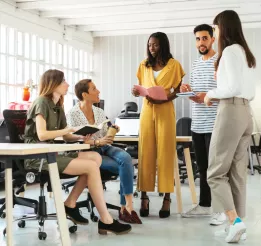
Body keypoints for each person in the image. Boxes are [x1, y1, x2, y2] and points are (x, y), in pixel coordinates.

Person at [24, 69, 132, 235]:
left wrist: (81, 136)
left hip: (52, 152)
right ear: (53, 84)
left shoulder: (58, 105)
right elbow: (42, 134)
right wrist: (70, 129)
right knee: (90, 167)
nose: (67, 84)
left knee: (95, 157)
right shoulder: (41, 102)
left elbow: (66, 136)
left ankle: (70, 202)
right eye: (63, 81)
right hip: (38, 157)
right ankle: (106, 219)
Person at [204, 10, 256, 243]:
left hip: (231, 110)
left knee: (215, 172)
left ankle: (234, 222)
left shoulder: (230, 51)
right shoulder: (246, 53)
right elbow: (246, 88)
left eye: (214, 29)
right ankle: (239, 224)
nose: (214, 34)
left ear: (223, 27)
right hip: (246, 112)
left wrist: (210, 94)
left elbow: (232, 87)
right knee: (237, 172)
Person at [66, 79, 142, 224]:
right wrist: (87, 139)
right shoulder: (73, 113)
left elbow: (105, 134)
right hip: (88, 151)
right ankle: (125, 210)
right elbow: (69, 136)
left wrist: (113, 131)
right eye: (94, 89)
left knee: (125, 158)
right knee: (124, 166)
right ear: (85, 94)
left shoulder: (99, 111)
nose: (98, 91)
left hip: (104, 147)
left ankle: (127, 206)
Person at [132, 32, 185, 218]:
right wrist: (136, 92)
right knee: (145, 151)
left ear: (163, 45)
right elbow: (140, 87)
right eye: (149, 45)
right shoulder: (143, 65)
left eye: (155, 45)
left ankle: (166, 199)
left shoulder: (174, 65)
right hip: (147, 109)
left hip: (165, 109)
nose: (151, 48)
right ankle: (144, 197)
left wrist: (165, 98)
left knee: (165, 152)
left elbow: (178, 90)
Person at [180, 24, 226, 225]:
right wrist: (188, 90)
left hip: (215, 122)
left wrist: (206, 97)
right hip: (197, 123)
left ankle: (222, 210)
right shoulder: (196, 63)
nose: (201, 42)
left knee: (217, 170)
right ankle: (205, 205)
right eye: (198, 39)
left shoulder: (221, 62)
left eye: (204, 38)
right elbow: (198, 94)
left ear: (213, 39)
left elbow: (226, 93)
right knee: (203, 167)